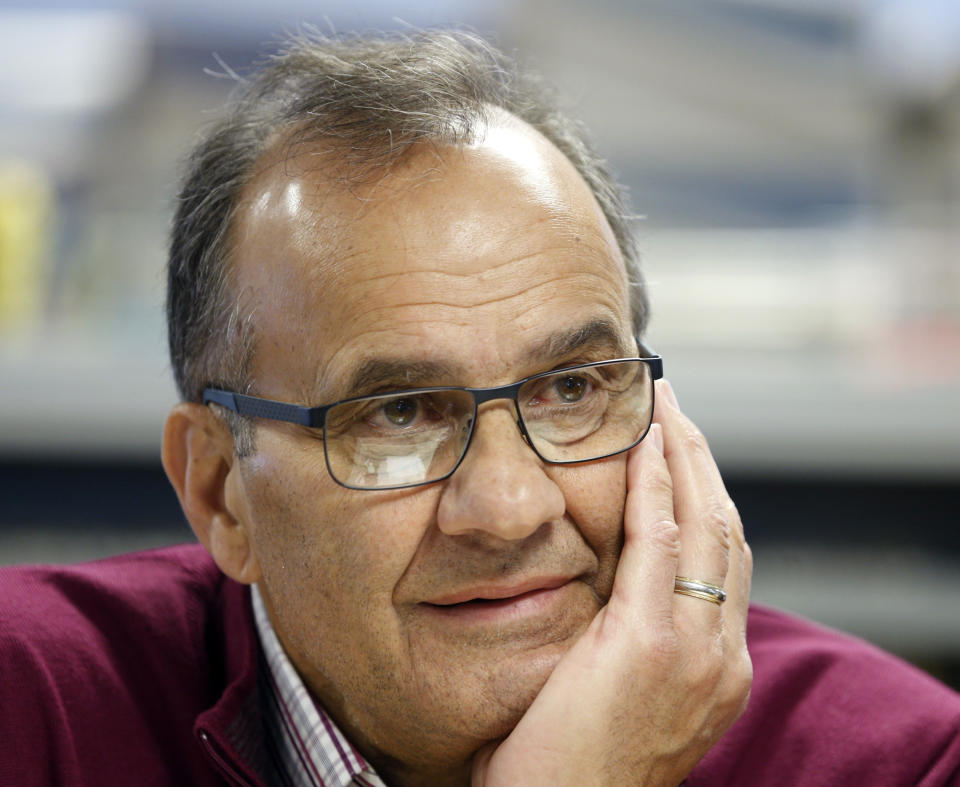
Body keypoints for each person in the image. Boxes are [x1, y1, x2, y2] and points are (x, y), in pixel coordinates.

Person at [2, 29, 959, 787]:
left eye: (573, 390)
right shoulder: (27, 708)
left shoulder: (902, 761)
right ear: (220, 492)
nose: (509, 508)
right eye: (400, 415)